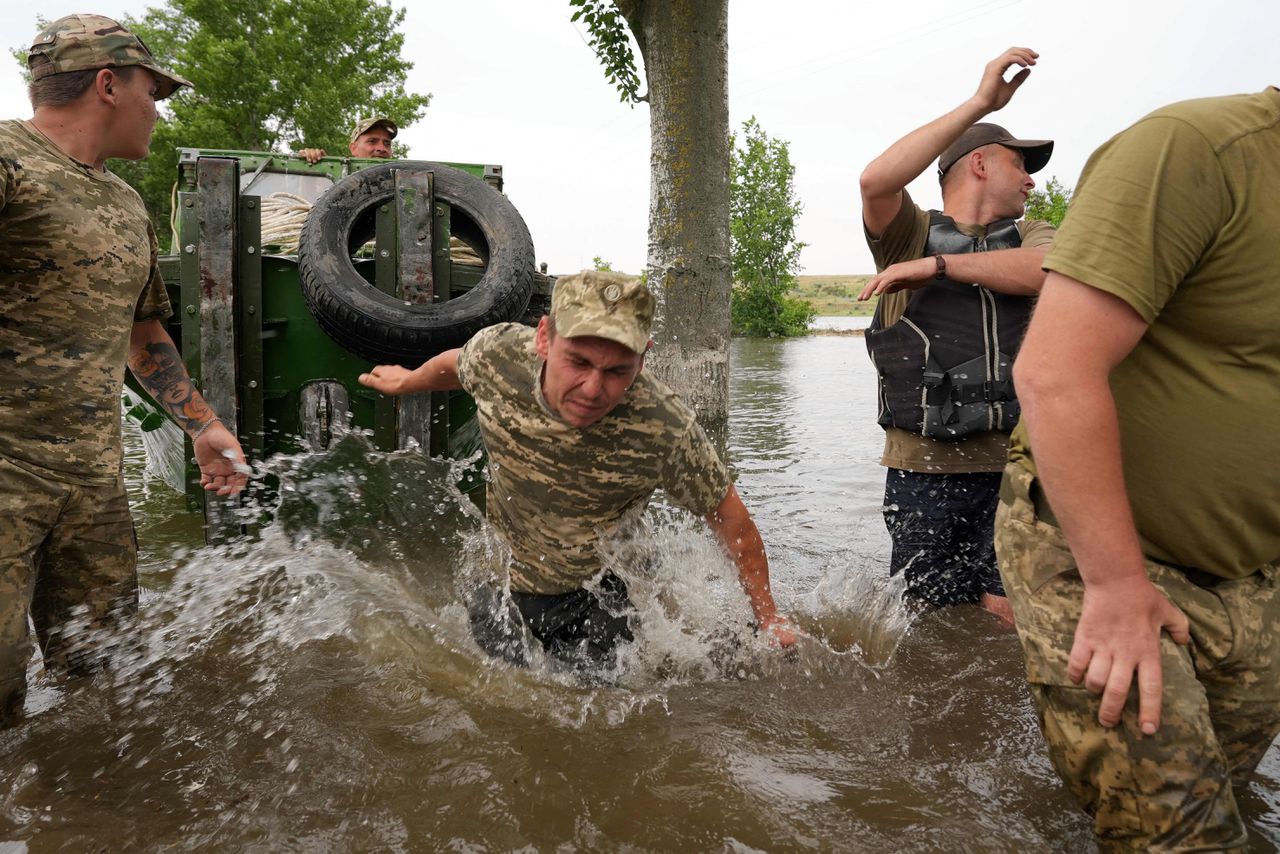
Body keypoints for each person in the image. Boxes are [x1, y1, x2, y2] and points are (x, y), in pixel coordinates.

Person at [996, 87, 1280, 850]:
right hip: (1107, 557)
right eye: (1017, 167)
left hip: (1256, 575)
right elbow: (1053, 373)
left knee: (1229, 799)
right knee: (1181, 835)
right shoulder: (1195, 150)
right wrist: (1117, 585)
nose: (1029, 181)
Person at [0, 14, 249, 727]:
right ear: (108, 84)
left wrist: (201, 424)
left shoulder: (125, 203)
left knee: (105, 681)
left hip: (93, 489)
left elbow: (143, 332)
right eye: (153, 89)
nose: (159, 107)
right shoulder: (7, 163)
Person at [358, 271, 795, 669]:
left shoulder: (663, 426)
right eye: (579, 362)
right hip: (504, 580)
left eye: (617, 370)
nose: (592, 389)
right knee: (501, 697)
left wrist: (769, 620)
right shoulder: (500, 356)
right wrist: (408, 381)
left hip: (599, 591)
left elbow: (730, 518)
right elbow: (456, 364)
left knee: (602, 713)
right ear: (544, 338)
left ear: (643, 359)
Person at [856, 47, 1055, 623]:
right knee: (927, 630)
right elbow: (875, 180)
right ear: (981, 164)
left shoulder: (1035, 234)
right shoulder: (908, 235)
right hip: (925, 475)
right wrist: (980, 104)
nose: (1032, 183)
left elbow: (1048, 269)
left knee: (1009, 624)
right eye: (1024, 165)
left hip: (1018, 474)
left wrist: (938, 269)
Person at [297, 116, 398, 164]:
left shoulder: (401, 185)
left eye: (387, 143)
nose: (381, 148)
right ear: (354, 148)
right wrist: (312, 164)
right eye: (372, 141)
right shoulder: (338, 180)